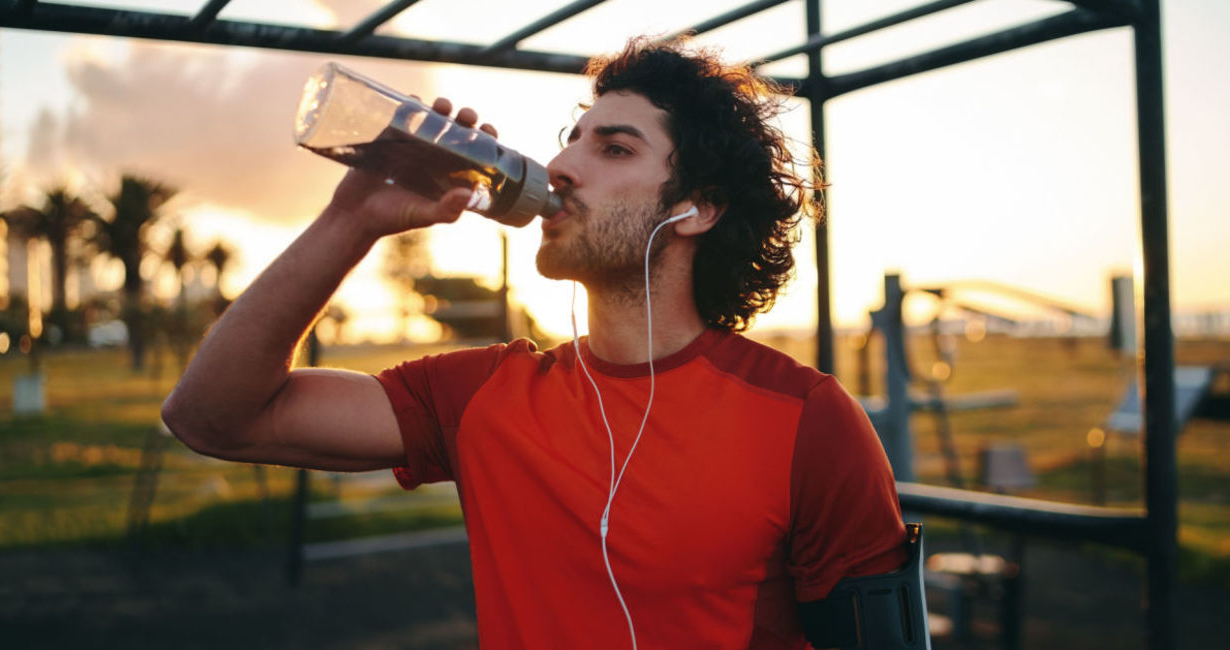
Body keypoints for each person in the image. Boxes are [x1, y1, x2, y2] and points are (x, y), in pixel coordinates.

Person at [163, 37, 907, 649]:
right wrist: (351, 220)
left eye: (613, 149)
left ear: (695, 209)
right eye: (570, 140)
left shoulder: (807, 419)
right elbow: (213, 417)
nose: (561, 167)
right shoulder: (484, 395)